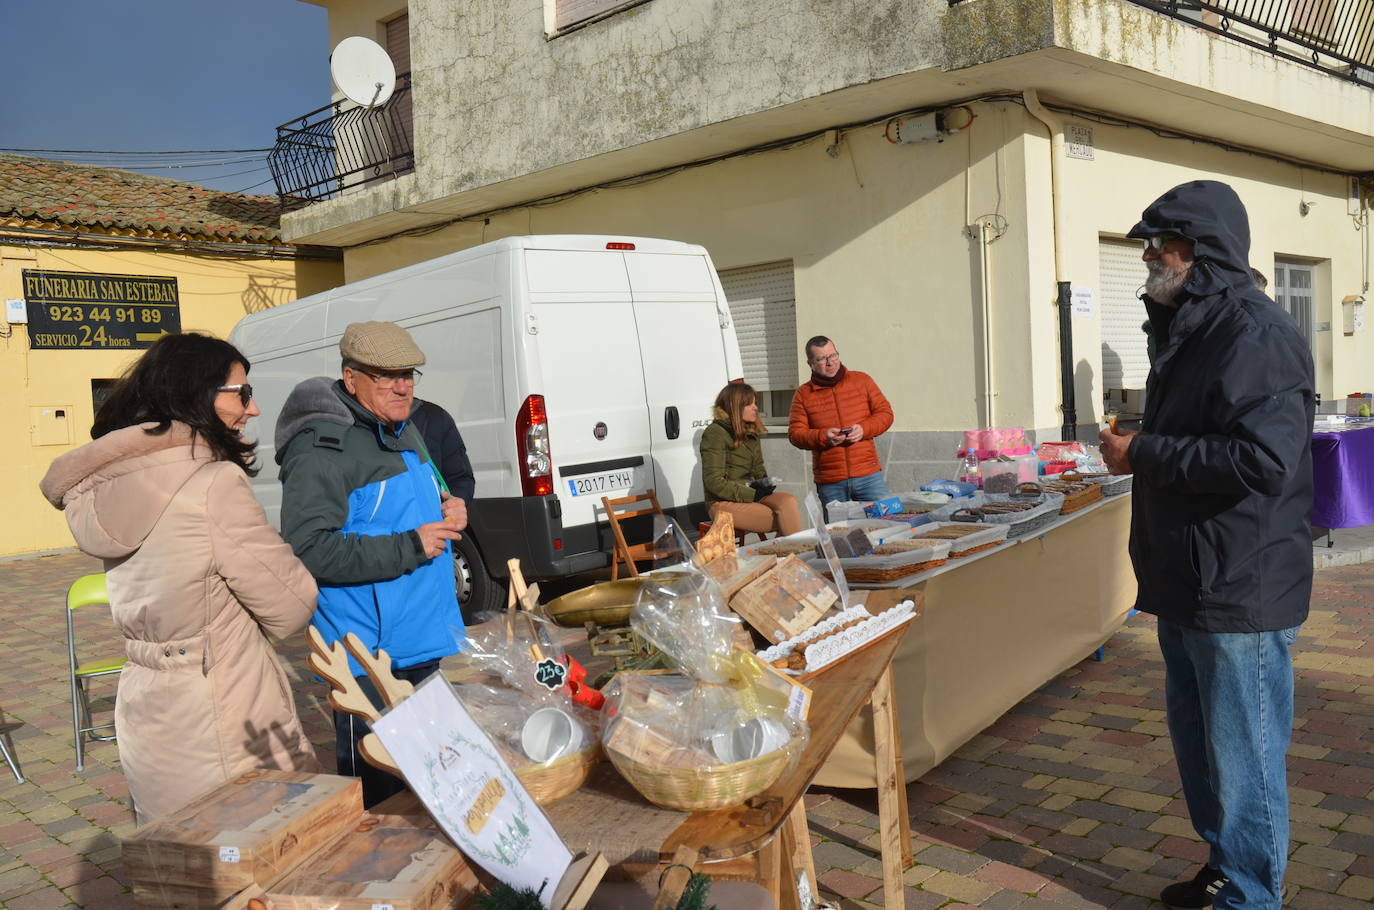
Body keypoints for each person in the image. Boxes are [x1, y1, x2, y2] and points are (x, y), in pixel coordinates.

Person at [1098, 180, 1314, 910]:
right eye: (1149, 243)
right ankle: (1227, 868)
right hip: (1190, 578)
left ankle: (1252, 896)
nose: (1151, 255)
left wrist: (1145, 453)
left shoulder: (1254, 332)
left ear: (1205, 251)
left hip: (1239, 586)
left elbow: (1264, 461)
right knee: (1204, 753)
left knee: (1245, 760)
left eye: (1164, 241)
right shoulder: (1187, 327)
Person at [39, 333, 319, 823]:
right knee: (255, 856)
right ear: (197, 394)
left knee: (179, 853)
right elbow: (291, 605)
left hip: (147, 699)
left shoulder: (114, 486)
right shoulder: (211, 484)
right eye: (243, 393)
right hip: (224, 704)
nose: (252, 411)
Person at [276, 321, 466, 807]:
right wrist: (410, 545)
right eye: (386, 376)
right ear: (351, 377)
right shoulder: (322, 448)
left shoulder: (403, 428)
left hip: (420, 640)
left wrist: (451, 506)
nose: (402, 385)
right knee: (382, 802)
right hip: (369, 657)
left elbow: (424, 499)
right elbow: (309, 548)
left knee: (432, 786)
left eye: (408, 373)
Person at [788, 335, 894, 508]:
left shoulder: (862, 380)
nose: (830, 362)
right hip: (830, 482)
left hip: (868, 476)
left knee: (881, 526)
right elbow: (795, 434)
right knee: (837, 534)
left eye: (833, 355)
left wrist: (864, 429)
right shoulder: (803, 394)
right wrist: (823, 437)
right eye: (822, 359)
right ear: (811, 363)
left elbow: (885, 414)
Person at [700, 382, 802, 538]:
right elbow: (714, 482)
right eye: (750, 404)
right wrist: (753, 494)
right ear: (735, 406)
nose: (756, 407)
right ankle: (792, 555)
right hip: (722, 502)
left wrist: (764, 483)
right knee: (781, 518)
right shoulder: (716, 433)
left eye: (755, 403)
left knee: (788, 502)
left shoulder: (750, 432)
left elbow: (758, 469)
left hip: (750, 494)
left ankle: (786, 555)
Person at [410, 398, 475, 508]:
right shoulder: (370, 428)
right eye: (388, 380)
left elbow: (460, 478)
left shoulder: (434, 417)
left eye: (407, 379)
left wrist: (453, 507)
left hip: (433, 522)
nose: (401, 387)